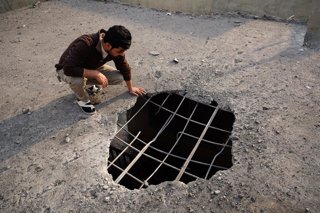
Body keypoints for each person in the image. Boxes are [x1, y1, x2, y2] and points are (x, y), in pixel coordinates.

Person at [55, 25, 146, 114]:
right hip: (66, 69)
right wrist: (95, 74)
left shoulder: (116, 47)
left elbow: (124, 67)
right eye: (120, 51)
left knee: (119, 77)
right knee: (77, 81)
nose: (121, 54)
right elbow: (68, 68)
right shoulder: (86, 44)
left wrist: (131, 88)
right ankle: (82, 100)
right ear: (108, 45)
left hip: (92, 66)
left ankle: (86, 84)